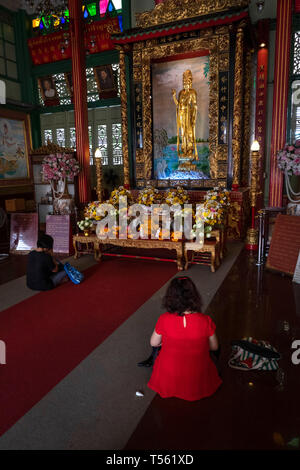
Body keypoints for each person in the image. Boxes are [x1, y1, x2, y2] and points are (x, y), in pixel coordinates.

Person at [147, 276, 222, 401]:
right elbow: (215, 347)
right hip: (197, 376)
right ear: (194, 296)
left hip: (169, 376)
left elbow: (153, 343)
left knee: (157, 351)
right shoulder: (205, 320)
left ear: (170, 298)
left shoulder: (164, 319)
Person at [172, 69, 198, 160]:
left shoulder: (192, 92)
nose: (185, 83)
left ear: (190, 82)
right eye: (184, 81)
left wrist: (194, 115)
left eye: (187, 81)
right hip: (182, 114)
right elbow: (178, 105)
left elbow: (194, 105)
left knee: (189, 132)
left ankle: (190, 150)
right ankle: (184, 150)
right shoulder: (180, 93)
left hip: (189, 114)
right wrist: (174, 96)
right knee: (183, 133)